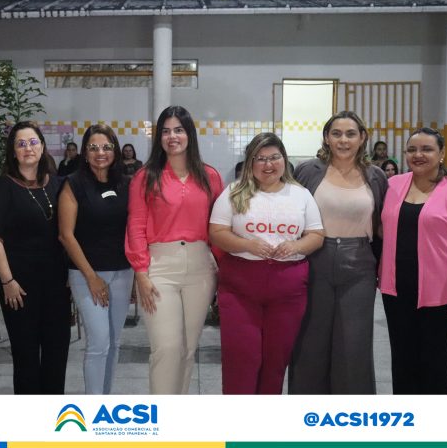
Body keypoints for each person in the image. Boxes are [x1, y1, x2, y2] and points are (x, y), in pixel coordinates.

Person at [209, 133, 324, 394]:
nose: (268, 164)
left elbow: (316, 235)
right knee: (241, 360)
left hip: (288, 292)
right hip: (240, 290)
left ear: (284, 159)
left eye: (274, 157)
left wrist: (295, 246)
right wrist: (247, 244)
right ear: (250, 162)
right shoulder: (234, 192)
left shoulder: (301, 195)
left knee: (275, 363)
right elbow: (216, 233)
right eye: (260, 159)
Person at [125, 105, 223, 394]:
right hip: (159, 267)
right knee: (166, 348)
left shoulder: (209, 176)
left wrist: (224, 269)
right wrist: (141, 272)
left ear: (189, 133)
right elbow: (136, 225)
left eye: (178, 130)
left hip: (200, 266)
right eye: (165, 131)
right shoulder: (146, 176)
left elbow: (218, 227)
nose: (172, 136)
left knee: (188, 350)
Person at [289, 111, 387, 394]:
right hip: (314, 259)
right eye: (337, 134)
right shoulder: (308, 171)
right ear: (326, 138)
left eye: (351, 134)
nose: (344, 140)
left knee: (353, 343)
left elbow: (382, 224)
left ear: (362, 138)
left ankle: (350, 413)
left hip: (359, 264)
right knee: (310, 339)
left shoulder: (376, 176)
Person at [380, 127, 447, 393]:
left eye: (427, 149)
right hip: (396, 292)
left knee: (434, 367)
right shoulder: (393, 185)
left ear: (441, 153)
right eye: (412, 149)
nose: (418, 155)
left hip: (441, 297)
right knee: (402, 363)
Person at [0, 121, 71, 394]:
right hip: (18, 286)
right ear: (13, 151)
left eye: (33, 142)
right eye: (21, 144)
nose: (28, 148)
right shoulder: (5, 186)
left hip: (56, 283)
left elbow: (69, 233)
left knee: (57, 352)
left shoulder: (58, 184)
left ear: (42, 146)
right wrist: (7, 281)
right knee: (26, 355)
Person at [58, 124, 133, 394]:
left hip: (123, 272)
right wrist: (91, 277)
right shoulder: (74, 184)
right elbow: (66, 235)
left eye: (106, 147)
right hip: (86, 274)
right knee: (99, 342)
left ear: (115, 150)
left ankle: (105, 401)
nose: (100, 153)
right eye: (93, 147)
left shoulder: (126, 183)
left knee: (114, 342)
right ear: (85, 152)